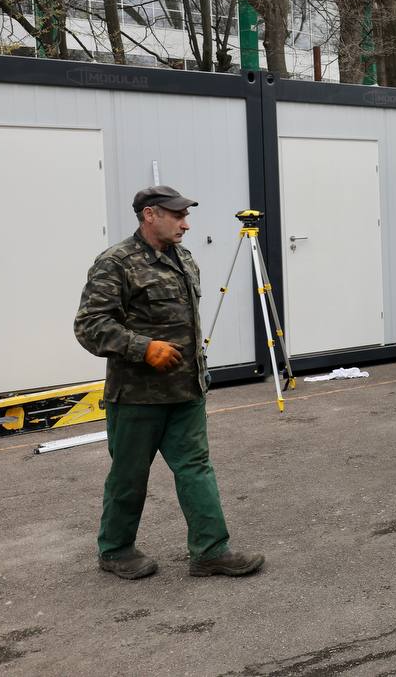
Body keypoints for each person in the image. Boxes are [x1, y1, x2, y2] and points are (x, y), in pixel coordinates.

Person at [75, 186, 264, 580]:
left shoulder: (185, 259)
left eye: (185, 216)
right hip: (137, 397)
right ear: (149, 215)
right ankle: (115, 549)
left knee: (196, 468)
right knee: (129, 475)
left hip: (186, 390)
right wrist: (142, 348)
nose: (186, 224)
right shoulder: (117, 263)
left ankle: (211, 551)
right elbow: (90, 326)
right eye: (177, 216)